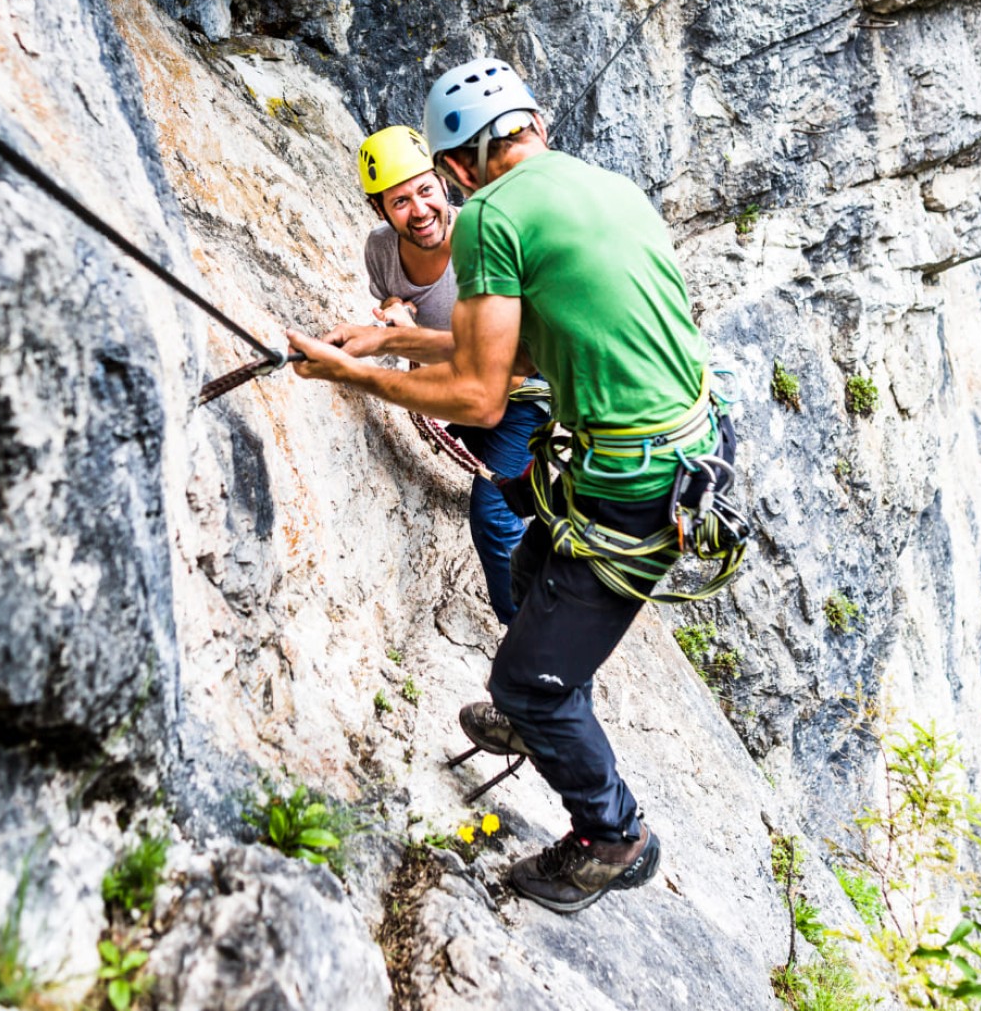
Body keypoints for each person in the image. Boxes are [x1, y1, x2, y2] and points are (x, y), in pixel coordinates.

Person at [287, 57, 743, 914]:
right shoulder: (605, 187)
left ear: (457, 168)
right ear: (530, 125)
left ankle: (611, 836)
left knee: (525, 684)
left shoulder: (489, 216)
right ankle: (549, 708)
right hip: (681, 447)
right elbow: (527, 354)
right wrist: (381, 345)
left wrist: (354, 374)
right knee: (534, 555)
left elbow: (478, 393)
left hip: (633, 479)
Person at [323, 124, 548, 626]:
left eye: (425, 190)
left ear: (444, 184)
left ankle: (528, 644)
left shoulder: (484, 237)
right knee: (515, 496)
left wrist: (402, 345)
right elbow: (392, 296)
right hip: (462, 385)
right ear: (379, 210)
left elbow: (513, 361)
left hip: (521, 390)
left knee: (494, 518)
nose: (419, 210)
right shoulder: (380, 250)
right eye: (399, 202)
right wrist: (396, 309)